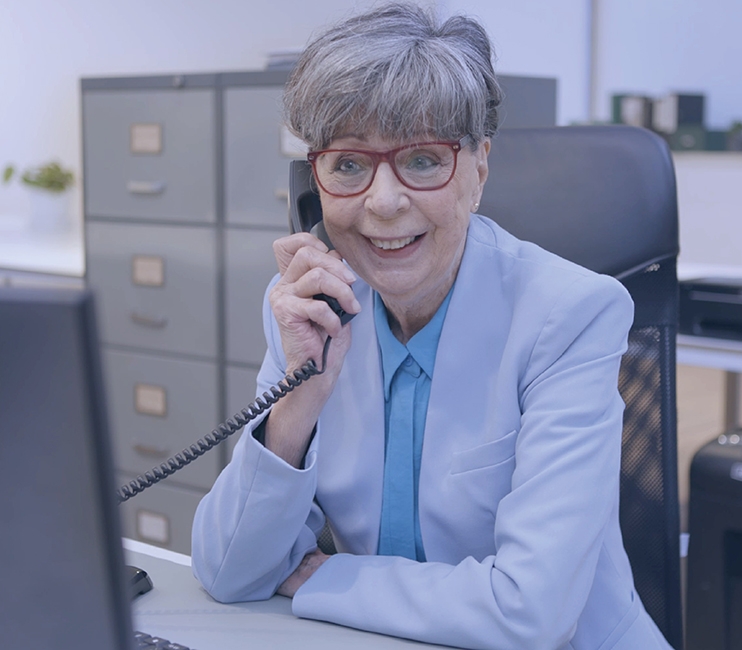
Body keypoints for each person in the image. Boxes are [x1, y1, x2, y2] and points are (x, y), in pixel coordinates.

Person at [191, 4, 671, 649]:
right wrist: (298, 402)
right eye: (349, 165)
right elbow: (228, 572)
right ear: (315, 185)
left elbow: (529, 614)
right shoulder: (312, 311)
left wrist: (326, 580)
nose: (383, 202)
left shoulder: (571, 314)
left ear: (478, 169)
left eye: (422, 160)